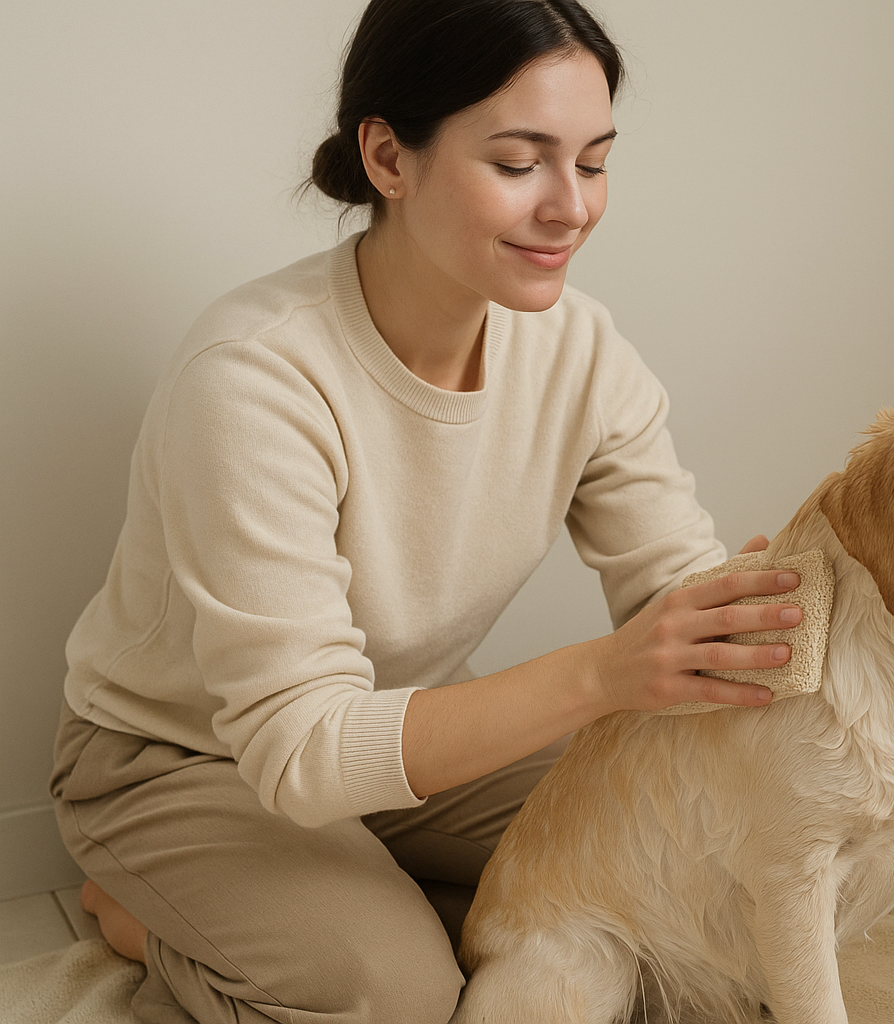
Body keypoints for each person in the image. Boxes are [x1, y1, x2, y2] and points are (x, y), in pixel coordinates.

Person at [49, 2, 803, 1021]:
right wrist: (602, 670)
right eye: (519, 161)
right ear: (389, 159)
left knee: (690, 880)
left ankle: (384, 905)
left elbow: (674, 586)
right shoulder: (255, 380)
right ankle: (141, 916)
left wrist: (761, 615)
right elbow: (304, 748)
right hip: (192, 757)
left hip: (410, 735)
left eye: (593, 161)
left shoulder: (581, 351)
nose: (570, 207)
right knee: (399, 1000)